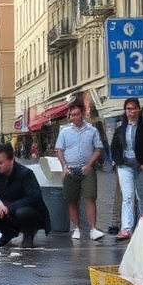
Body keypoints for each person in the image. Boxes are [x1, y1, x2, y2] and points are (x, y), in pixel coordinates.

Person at [0, 143, 50, 248]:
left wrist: (8, 207)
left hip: (31, 214)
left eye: (0, 162)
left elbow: (34, 198)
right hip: (10, 212)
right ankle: (8, 232)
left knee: (22, 212)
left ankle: (28, 235)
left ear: (11, 160)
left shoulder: (26, 174)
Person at [110, 98, 143, 241]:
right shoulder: (121, 128)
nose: (131, 112)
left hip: (142, 166)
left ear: (139, 109)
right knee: (127, 197)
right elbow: (114, 147)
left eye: (133, 108)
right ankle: (126, 229)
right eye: (128, 109)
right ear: (125, 111)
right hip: (125, 166)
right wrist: (118, 161)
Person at [55, 103, 105, 240]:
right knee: (71, 199)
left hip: (87, 169)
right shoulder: (64, 131)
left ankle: (93, 229)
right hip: (70, 169)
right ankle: (76, 228)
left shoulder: (92, 130)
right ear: (69, 116)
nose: (75, 117)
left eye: (77, 114)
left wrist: (89, 165)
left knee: (90, 197)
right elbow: (59, 150)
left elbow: (98, 149)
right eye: (72, 115)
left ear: (82, 114)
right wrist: (64, 166)